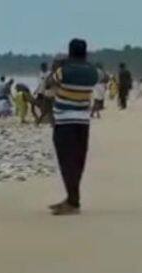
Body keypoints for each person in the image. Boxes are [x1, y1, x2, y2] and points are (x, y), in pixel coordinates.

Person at [48, 38, 102, 215]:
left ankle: (73, 202)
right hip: (83, 122)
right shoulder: (93, 72)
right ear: (85, 53)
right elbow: (105, 77)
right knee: (78, 161)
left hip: (64, 122)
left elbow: (50, 82)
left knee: (66, 162)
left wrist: (57, 65)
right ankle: (72, 198)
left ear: (70, 52)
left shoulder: (63, 71)